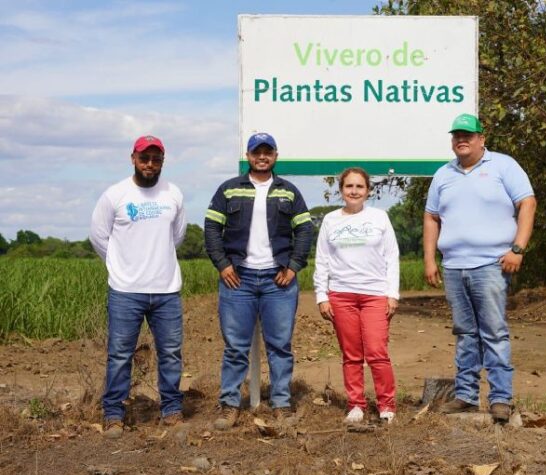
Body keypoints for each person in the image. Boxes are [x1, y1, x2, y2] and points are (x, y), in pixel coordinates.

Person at [423, 114, 537, 424]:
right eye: (457, 135)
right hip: (454, 266)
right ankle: (466, 396)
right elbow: (431, 217)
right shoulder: (443, 174)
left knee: (494, 332)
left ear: (481, 139)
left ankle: (500, 398)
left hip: (491, 264)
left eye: (468, 135)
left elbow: (527, 203)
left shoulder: (503, 166)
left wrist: (518, 248)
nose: (462, 139)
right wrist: (430, 259)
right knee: (464, 333)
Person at [204, 132, 313, 430]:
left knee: (280, 345)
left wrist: (293, 266)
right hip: (238, 279)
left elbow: (304, 230)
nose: (262, 157)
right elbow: (212, 228)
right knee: (235, 347)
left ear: (275, 156)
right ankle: (229, 405)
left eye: (267, 152)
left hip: (278, 280)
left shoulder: (288, 192)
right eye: (256, 152)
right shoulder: (228, 190)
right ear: (249, 156)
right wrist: (223, 265)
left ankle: (281, 404)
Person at [89, 135, 187, 439]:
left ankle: (171, 409)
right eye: (144, 158)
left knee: (170, 352)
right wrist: (121, 266)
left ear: (162, 162)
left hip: (166, 289)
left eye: (156, 159)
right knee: (120, 354)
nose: (150, 164)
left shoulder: (173, 194)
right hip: (125, 290)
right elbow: (99, 237)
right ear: (133, 158)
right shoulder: (115, 195)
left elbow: (177, 236)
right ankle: (114, 414)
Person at [313, 167, 400, 424]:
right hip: (341, 295)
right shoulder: (330, 220)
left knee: (376, 352)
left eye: (359, 187)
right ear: (341, 190)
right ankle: (356, 405)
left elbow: (392, 257)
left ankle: (386, 405)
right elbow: (322, 260)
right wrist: (322, 296)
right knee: (351, 355)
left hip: (374, 294)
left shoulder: (380, 218)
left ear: (368, 191)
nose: (354, 191)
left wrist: (391, 294)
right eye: (349, 187)